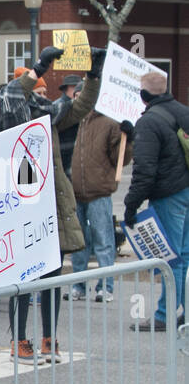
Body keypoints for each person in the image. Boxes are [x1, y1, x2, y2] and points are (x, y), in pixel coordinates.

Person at [0, 47, 101, 360]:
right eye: (36, 86)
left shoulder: (47, 113)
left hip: (50, 205)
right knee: (24, 278)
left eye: (42, 88)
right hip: (20, 204)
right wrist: (40, 65)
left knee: (52, 275)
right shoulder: (8, 110)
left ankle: (48, 338)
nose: (40, 91)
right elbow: (15, 93)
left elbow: (80, 106)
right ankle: (20, 339)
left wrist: (93, 74)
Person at [123, 69, 189, 331]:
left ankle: (165, 315)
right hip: (186, 191)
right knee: (182, 255)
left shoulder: (149, 122)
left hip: (168, 194)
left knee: (169, 258)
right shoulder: (183, 112)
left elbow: (145, 170)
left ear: (143, 95)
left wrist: (130, 205)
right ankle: (180, 311)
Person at [68, 109, 131, 302]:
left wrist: (128, 140)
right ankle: (78, 285)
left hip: (99, 192)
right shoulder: (72, 120)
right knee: (78, 243)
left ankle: (105, 286)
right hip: (74, 191)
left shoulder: (110, 123)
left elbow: (122, 158)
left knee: (103, 240)